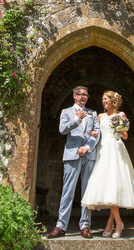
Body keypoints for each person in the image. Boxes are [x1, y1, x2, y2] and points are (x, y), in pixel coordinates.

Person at [81, 90, 134, 238]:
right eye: (102, 99)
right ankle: (115, 222)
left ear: (113, 101)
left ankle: (115, 223)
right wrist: (92, 135)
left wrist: (119, 129)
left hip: (116, 149)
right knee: (107, 185)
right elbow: (94, 131)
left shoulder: (121, 115)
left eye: (106, 99)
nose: (103, 102)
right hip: (103, 150)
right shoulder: (100, 116)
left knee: (113, 185)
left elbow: (125, 136)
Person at [45, 85, 101, 239]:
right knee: (67, 192)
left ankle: (85, 226)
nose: (84, 97)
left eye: (86, 95)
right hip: (71, 155)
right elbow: (63, 130)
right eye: (81, 94)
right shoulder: (66, 112)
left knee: (87, 192)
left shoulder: (92, 113)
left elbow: (97, 133)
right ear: (74, 96)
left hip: (88, 155)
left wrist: (87, 147)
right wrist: (77, 119)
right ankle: (61, 226)